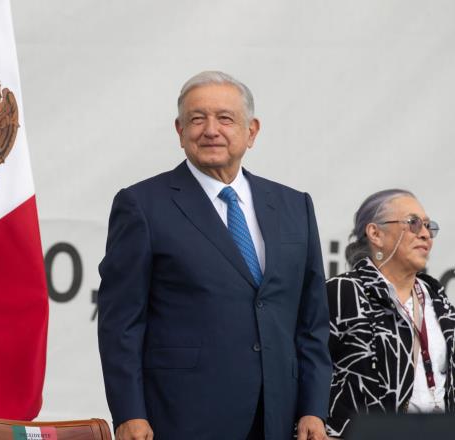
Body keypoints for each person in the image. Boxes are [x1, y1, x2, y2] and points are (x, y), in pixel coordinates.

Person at [97, 71, 331, 440]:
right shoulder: (142, 205)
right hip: (182, 417)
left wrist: (314, 409)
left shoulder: (294, 206)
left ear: (251, 131)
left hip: (278, 418)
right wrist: (129, 413)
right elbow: (121, 323)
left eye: (225, 118)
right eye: (196, 119)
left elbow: (312, 321)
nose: (210, 130)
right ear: (179, 130)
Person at [326, 189, 455, 437]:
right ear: (375, 233)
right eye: (413, 223)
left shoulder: (437, 299)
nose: (426, 234)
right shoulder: (343, 292)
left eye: (429, 226)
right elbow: (304, 369)